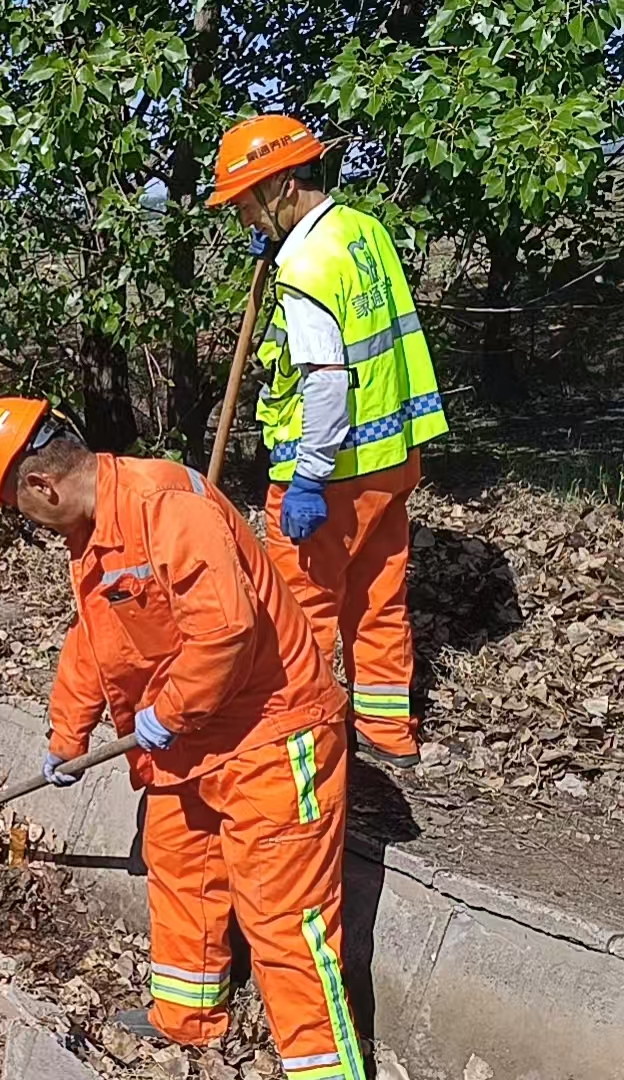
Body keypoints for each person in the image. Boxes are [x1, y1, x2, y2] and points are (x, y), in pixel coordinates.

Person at [0, 397, 366, 1079]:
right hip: (193, 738)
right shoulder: (93, 532)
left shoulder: (166, 506)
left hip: (271, 730)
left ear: (39, 486)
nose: (25, 524)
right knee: (180, 868)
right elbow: (95, 638)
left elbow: (226, 631)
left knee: (287, 923)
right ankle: (189, 1017)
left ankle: (325, 1071)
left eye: (17, 508)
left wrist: (168, 711)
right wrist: (67, 735)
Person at [208, 114, 448, 768]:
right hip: (392, 458)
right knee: (378, 594)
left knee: (298, 612)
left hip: (331, 472)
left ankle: (302, 743)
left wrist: (308, 476)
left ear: (282, 187)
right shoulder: (361, 231)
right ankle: (388, 731)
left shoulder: (307, 266)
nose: (242, 221)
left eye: (245, 205)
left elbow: (326, 382)